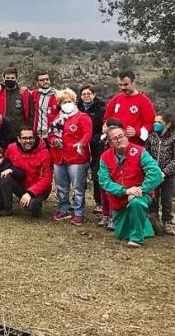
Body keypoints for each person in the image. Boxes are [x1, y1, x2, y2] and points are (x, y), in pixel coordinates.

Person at [99, 125, 164, 247]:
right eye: (115, 138)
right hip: (119, 196)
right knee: (120, 235)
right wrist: (125, 191)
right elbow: (104, 181)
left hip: (141, 194)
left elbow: (156, 174)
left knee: (136, 203)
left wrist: (140, 189)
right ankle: (148, 222)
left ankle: (136, 239)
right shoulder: (104, 157)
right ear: (110, 143)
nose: (119, 140)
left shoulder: (140, 151)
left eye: (121, 136)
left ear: (126, 137)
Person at [47, 89, 93, 225]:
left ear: (74, 102)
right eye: (63, 102)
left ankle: (79, 212)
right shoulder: (57, 119)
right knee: (61, 186)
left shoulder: (82, 117)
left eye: (69, 101)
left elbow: (87, 133)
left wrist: (81, 144)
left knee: (78, 187)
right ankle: (63, 208)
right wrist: (54, 140)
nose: (66, 104)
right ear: (59, 104)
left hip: (76, 158)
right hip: (59, 156)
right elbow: (51, 134)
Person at [0, 127, 53, 217]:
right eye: (24, 138)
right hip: (20, 186)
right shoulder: (11, 148)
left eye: (30, 138)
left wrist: (30, 192)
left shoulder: (45, 153)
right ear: (19, 139)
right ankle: (7, 208)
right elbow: (3, 164)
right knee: (5, 176)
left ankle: (35, 204)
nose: (28, 141)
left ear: (35, 138)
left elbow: (46, 180)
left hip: (37, 189)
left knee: (33, 206)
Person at [103, 70, 155, 146]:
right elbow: (106, 119)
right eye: (120, 85)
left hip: (135, 145)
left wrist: (137, 132)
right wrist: (105, 127)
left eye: (126, 84)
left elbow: (149, 124)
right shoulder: (115, 100)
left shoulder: (144, 101)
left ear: (133, 83)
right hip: (115, 145)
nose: (123, 87)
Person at [78, 84, 106, 213]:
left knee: (96, 173)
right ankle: (78, 200)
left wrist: (93, 138)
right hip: (80, 146)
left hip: (96, 146)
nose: (86, 96)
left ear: (93, 95)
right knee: (80, 173)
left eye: (89, 93)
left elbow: (104, 129)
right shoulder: (77, 109)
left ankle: (99, 202)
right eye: (84, 94)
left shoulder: (101, 110)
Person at [146, 113, 175, 235]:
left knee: (166, 199)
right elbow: (146, 154)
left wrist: (165, 172)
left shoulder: (173, 137)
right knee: (153, 198)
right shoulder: (151, 136)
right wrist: (152, 170)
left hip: (168, 175)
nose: (155, 124)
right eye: (154, 122)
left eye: (159, 122)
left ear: (167, 124)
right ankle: (154, 221)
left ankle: (167, 221)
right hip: (153, 173)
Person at [0, 67, 35, 139]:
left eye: (12, 78)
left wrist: (29, 129)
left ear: (16, 79)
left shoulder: (23, 93)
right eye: (7, 78)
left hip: (20, 132)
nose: (10, 80)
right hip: (3, 132)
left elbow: (31, 114)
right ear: (3, 79)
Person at [34, 71, 58, 141]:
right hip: (37, 134)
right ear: (37, 83)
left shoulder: (58, 95)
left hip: (52, 134)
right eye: (42, 80)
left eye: (47, 79)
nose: (45, 81)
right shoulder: (34, 94)